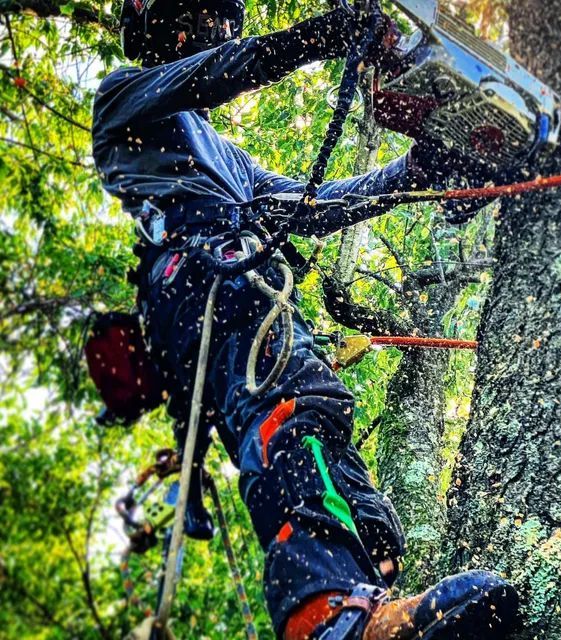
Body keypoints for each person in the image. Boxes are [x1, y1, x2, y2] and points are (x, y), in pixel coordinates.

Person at [92, 1, 519, 638]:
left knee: (324, 425)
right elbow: (215, 72)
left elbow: (310, 203)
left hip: (240, 283)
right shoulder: (124, 97)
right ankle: (325, 615)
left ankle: (372, 603)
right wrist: (318, 37)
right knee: (289, 415)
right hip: (204, 284)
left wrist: (416, 173)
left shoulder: (228, 158)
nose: (207, 24)